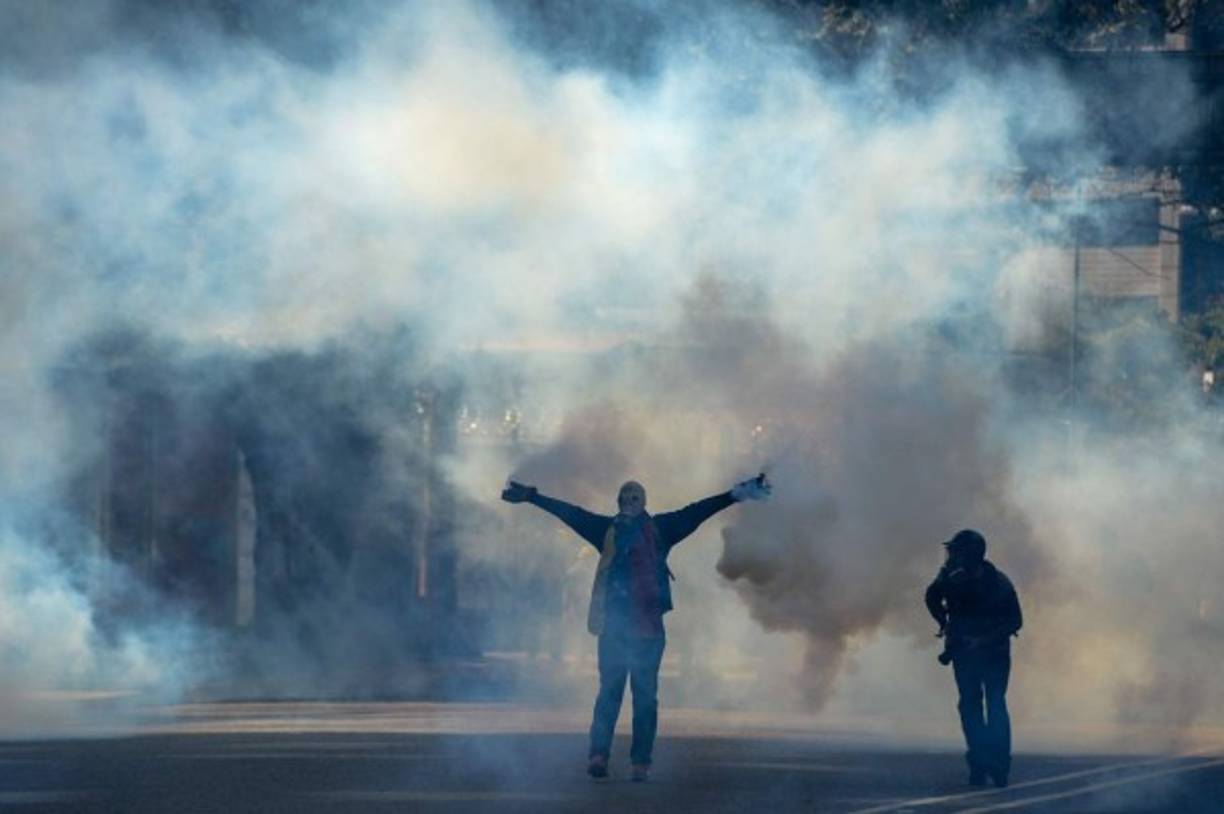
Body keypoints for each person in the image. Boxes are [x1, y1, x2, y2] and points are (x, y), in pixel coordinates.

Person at [501, 473, 772, 781]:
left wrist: (738, 493)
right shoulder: (606, 530)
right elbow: (572, 514)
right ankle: (598, 756)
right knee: (609, 695)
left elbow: (698, 511)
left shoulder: (661, 529)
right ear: (617, 504)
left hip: (648, 634)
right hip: (613, 632)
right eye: (623, 498)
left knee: (645, 700)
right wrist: (533, 497)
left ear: (643, 504)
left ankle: (640, 763)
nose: (627, 502)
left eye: (634, 498)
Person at [924, 529, 1023, 788]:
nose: (952, 556)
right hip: (965, 654)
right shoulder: (949, 578)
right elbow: (932, 596)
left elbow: (1015, 620)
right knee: (969, 705)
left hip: (994, 654)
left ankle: (998, 765)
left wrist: (984, 640)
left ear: (971, 555)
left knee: (995, 704)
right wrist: (944, 621)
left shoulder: (999, 584)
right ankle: (979, 761)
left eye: (958, 552)